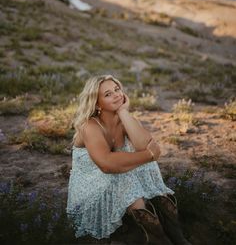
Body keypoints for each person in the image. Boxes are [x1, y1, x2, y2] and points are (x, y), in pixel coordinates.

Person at [66, 74, 191, 244]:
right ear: (97, 103)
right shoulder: (90, 126)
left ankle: (175, 235)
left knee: (147, 166)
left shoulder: (124, 120)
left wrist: (124, 112)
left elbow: (147, 147)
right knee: (129, 172)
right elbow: (107, 165)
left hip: (113, 173)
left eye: (117, 89)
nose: (116, 94)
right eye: (108, 94)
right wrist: (147, 155)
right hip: (90, 185)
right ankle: (157, 238)